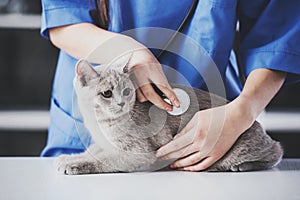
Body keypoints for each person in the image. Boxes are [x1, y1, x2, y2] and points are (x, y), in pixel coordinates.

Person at [40, 0, 300, 171]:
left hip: (213, 121)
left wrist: (243, 110)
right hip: (93, 113)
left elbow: (276, 35)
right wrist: (129, 52)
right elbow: (63, 18)